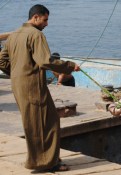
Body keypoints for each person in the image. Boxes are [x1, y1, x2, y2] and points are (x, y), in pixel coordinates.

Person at [0, 4, 80, 172]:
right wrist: (70, 66)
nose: (47, 24)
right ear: (35, 17)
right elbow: (45, 61)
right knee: (46, 122)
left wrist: (15, 73)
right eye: (45, 20)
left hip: (18, 85)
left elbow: (2, 60)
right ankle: (46, 162)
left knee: (34, 122)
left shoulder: (14, 35)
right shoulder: (36, 35)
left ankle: (45, 159)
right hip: (32, 86)